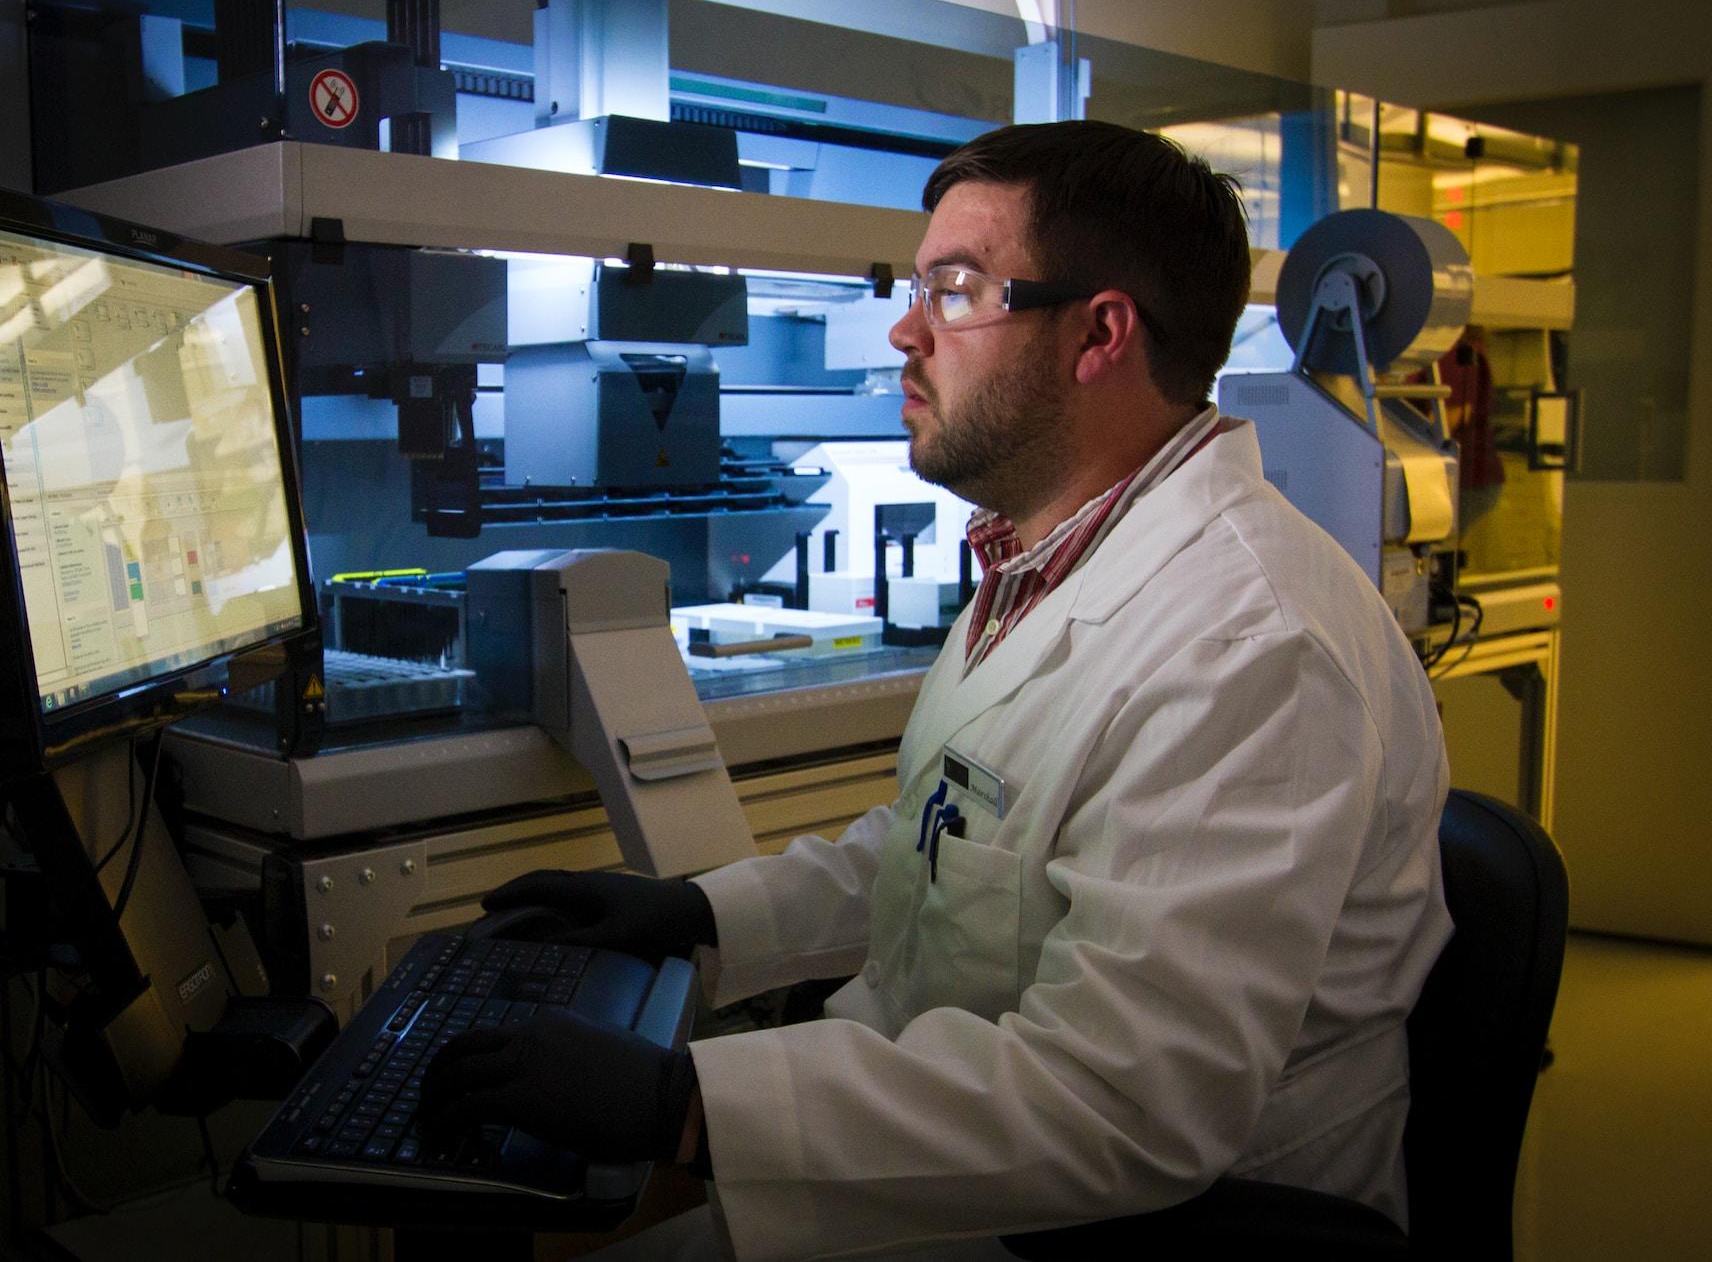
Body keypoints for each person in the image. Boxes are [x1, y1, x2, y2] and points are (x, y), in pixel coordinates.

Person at [419, 119, 1452, 1261]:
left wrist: (689, 1105)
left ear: (1098, 334)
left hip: (1136, 1230)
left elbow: (1129, 1105)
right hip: (970, 1164)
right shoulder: (1047, 558)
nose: (905, 332)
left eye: (956, 291)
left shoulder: (1252, 646)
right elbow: (950, 846)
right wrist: (704, 912)